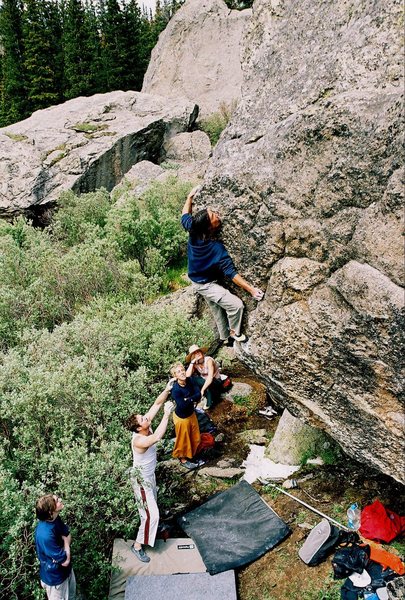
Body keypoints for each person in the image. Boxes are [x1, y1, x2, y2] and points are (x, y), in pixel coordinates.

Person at [181, 186, 264, 345]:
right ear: (209, 227)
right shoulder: (216, 248)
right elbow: (232, 274)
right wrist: (252, 290)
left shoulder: (193, 228)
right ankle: (234, 334)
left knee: (216, 309)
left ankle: (225, 339)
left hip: (196, 278)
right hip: (204, 284)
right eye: (213, 216)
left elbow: (184, 215)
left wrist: (190, 197)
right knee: (236, 306)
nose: (217, 215)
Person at [126, 385, 174, 563]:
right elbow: (156, 438)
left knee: (152, 506)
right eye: (143, 419)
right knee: (150, 515)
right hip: (141, 480)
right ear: (139, 427)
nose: (146, 418)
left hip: (149, 476)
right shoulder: (139, 440)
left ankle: (154, 529)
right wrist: (167, 415)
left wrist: (167, 389)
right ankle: (137, 545)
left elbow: (156, 403)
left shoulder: (146, 425)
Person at [34, 494, 76, 600]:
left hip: (66, 572)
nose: (60, 500)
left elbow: (68, 535)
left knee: (72, 597)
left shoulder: (55, 519)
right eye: (57, 501)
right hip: (55, 580)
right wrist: (66, 543)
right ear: (50, 512)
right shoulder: (45, 535)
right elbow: (65, 561)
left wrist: (65, 551)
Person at [170, 362, 205, 470]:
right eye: (178, 372)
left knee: (195, 437)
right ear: (175, 376)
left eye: (182, 370)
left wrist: (188, 399)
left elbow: (198, 394)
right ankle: (183, 459)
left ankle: (192, 455)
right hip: (182, 418)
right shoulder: (176, 390)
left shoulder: (190, 380)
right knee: (183, 440)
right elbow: (182, 405)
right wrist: (192, 398)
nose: (182, 373)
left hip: (191, 414)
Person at [185, 344, 224, 409]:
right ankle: (203, 397)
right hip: (205, 381)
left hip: (215, 380)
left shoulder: (208, 360)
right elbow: (187, 376)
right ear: (193, 356)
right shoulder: (195, 364)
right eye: (195, 353)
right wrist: (192, 362)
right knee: (191, 379)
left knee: (205, 382)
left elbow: (210, 377)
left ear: (201, 352)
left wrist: (202, 390)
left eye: (198, 351)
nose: (197, 353)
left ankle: (209, 400)